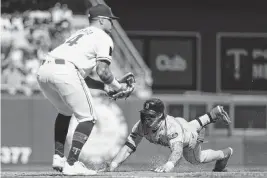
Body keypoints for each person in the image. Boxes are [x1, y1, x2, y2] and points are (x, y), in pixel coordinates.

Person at [36, 4, 129, 176]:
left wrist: (105, 87)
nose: (112, 24)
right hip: (65, 71)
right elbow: (103, 71)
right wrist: (118, 86)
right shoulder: (103, 36)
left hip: (44, 70)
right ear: (101, 20)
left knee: (64, 111)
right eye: (110, 20)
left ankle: (58, 157)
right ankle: (71, 163)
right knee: (88, 117)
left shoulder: (80, 34)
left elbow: (81, 77)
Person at [105, 98, 233, 173]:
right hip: (182, 125)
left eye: (150, 116)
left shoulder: (171, 127)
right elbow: (128, 147)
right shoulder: (141, 125)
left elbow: (177, 149)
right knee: (188, 126)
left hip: (188, 137)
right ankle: (211, 115)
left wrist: (169, 164)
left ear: (160, 115)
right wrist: (114, 164)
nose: (146, 119)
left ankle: (225, 153)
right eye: (144, 115)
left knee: (196, 159)